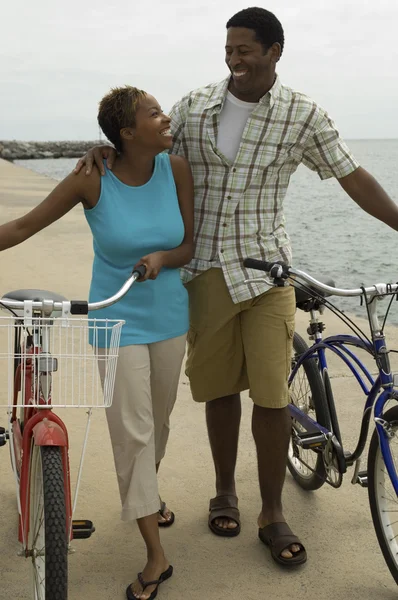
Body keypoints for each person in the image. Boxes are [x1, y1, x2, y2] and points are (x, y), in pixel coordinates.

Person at [74, 7, 398, 568]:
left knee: (271, 396)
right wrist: (105, 151)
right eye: (228, 48)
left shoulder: (303, 115)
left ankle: (272, 512)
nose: (234, 59)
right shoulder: (195, 106)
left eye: (245, 49)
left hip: (268, 272)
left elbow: (352, 177)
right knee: (219, 391)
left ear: (275, 51)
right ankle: (225, 491)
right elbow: (145, 148)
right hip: (202, 273)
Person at [0, 85, 194, 600]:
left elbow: (188, 243)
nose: (165, 116)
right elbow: (24, 224)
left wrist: (162, 259)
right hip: (115, 320)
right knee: (132, 432)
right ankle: (155, 554)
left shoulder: (176, 169)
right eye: (154, 113)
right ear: (127, 132)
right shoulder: (94, 175)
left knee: (159, 424)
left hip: (171, 316)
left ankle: (146, 496)